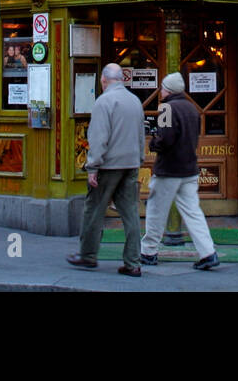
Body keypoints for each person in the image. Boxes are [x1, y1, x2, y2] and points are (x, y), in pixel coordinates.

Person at [67, 63, 145, 276]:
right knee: (130, 213)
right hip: (130, 164)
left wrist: (93, 166)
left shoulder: (104, 102)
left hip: (109, 165)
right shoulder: (135, 101)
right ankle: (133, 262)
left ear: (103, 80)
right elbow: (141, 133)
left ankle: (88, 255)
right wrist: (139, 159)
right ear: (122, 79)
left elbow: (99, 137)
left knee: (94, 209)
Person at [140, 72, 219, 271]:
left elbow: (165, 138)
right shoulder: (192, 109)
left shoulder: (167, 108)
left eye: (163, 87)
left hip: (169, 170)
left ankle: (148, 252)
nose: (161, 91)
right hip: (189, 169)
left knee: (156, 211)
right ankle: (208, 252)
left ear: (168, 90)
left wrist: (153, 143)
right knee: (193, 212)